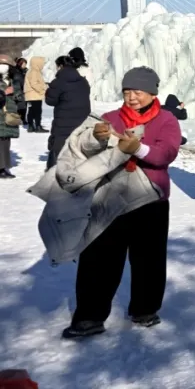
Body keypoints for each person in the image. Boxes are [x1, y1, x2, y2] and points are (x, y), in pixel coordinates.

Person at [42, 67, 182, 339]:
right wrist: (94, 138)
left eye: (138, 92)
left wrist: (138, 149)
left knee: (148, 259)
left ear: (152, 93)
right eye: (127, 91)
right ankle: (89, 318)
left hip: (149, 200)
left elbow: (166, 153)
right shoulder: (109, 118)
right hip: (108, 198)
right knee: (97, 258)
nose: (131, 97)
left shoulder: (167, 120)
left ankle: (145, 309)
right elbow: (83, 150)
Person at [45, 55, 91, 169]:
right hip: (82, 119)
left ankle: (54, 171)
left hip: (63, 121)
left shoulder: (58, 82)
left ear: (60, 66)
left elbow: (50, 101)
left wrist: (49, 89)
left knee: (59, 147)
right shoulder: (83, 81)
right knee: (78, 145)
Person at [0, 56, 22, 179]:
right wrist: (4, 92)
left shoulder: (13, 80)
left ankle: (4, 166)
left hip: (9, 114)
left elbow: (19, 96)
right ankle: (1, 168)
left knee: (5, 141)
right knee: (1, 141)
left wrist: (16, 93)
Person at [23, 56, 46, 133]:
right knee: (37, 111)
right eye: (42, 63)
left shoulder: (30, 71)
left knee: (31, 111)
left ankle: (31, 126)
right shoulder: (35, 71)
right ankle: (38, 126)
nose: (42, 65)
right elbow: (34, 83)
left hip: (30, 95)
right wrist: (42, 90)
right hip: (35, 95)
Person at [13, 58, 27, 126]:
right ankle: (22, 120)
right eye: (24, 64)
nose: (25, 65)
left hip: (20, 91)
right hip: (18, 91)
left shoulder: (21, 71)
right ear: (20, 64)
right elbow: (22, 82)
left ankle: (21, 119)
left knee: (21, 106)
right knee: (21, 106)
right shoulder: (17, 72)